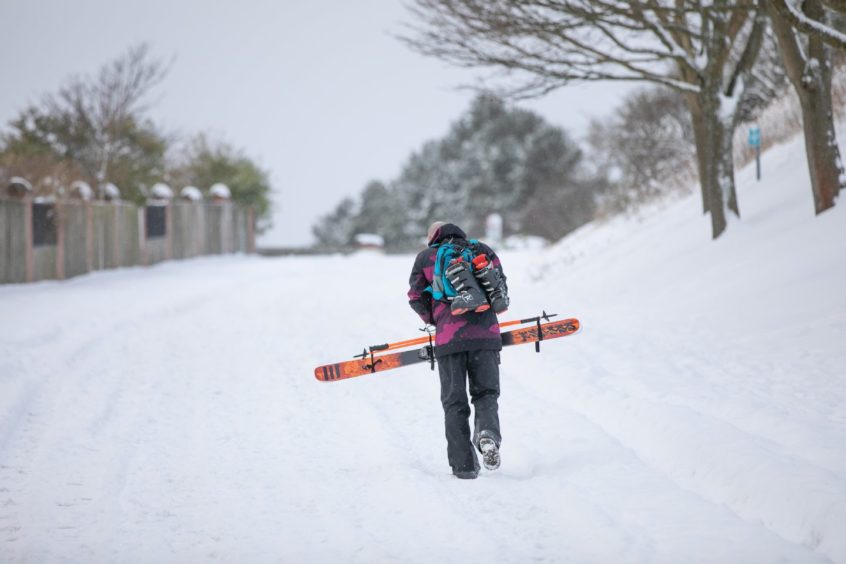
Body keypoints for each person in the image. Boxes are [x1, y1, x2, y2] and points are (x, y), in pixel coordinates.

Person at [407, 221, 509, 479]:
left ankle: (464, 467)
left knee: (454, 402)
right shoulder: (481, 250)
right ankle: (487, 435)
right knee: (486, 393)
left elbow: (415, 296)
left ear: (433, 236)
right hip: (486, 337)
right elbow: (501, 288)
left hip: (449, 340)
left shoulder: (427, 257)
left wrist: (435, 319)